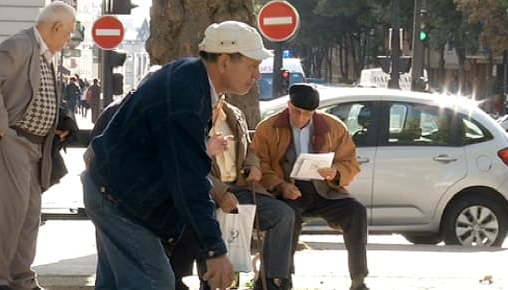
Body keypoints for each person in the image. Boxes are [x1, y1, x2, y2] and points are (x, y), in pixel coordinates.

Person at [81, 20, 272, 290]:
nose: (257, 76)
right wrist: (215, 251)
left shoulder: (190, 79)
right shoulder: (185, 94)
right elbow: (188, 179)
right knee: (156, 282)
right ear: (225, 61)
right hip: (119, 200)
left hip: (113, 191)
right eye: (253, 66)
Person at [0, 2, 77, 289]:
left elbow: (40, 95)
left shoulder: (45, 54)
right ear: (55, 27)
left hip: (36, 146)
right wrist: (2, 128)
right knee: (9, 213)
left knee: (29, 215)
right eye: (68, 33)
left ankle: (20, 278)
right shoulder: (19, 45)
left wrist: (61, 121)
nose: (69, 40)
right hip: (15, 140)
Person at [169, 96, 295, 290]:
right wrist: (222, 192)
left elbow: (250, 149)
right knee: (207, 215)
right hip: (206, 189)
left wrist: (252, 166)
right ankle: (210, 281)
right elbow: (189, 165)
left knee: (283, 214)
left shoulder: (234, 114)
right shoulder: (191, 118)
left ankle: (271, 280)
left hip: (241, 187)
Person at [253, 84, 370, 290]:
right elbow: (260, 164)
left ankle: (358, 279)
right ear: (288, 105)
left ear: (315, 111)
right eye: (296, 112)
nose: (301, 118)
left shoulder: (333, 127)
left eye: (307, 114)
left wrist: (336, 172)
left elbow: (350, 162)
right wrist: (280, 185)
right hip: (287, 191)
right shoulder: (267, 128)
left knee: (356, 212)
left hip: (324, 191)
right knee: (287, 217)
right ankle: (282, 278)